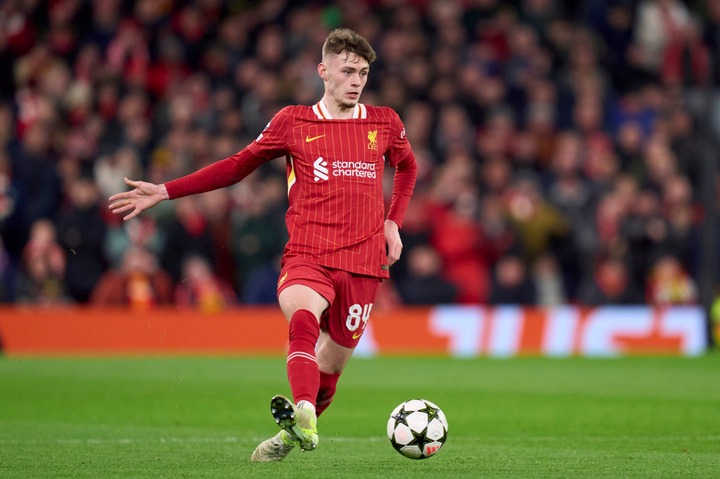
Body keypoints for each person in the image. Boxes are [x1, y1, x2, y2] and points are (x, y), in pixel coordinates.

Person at [108, 28, 417, 462]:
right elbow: (237, 166)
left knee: (332, 364)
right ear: (323, 71)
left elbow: (408, 168)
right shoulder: (292, 121)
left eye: (363, 73)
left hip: (365, 259)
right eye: (347, 71)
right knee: (302, 316)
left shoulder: (385, 122)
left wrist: (392, 223)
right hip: (309, 251)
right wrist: (165, 190)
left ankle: (295, 432)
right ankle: (304, 408)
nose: (356, 80)